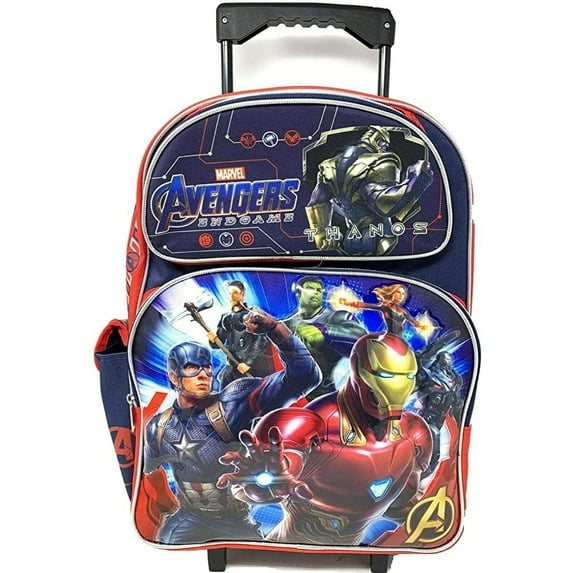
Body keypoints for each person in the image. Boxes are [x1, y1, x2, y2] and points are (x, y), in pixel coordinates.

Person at [217, 332, 433, 546]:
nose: (397, 385)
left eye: (407, 376)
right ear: (358, 370)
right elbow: (260, 478)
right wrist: (263, 481)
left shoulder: (413, 433)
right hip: (287, 551)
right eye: (385, 375)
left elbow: (398, 505)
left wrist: (426, 517)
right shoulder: (311, 424)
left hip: (350, 556)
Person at [143, 307, 322, 545]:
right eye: (192, 367)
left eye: (207, 367)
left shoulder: (232, 403)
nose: (204, 374)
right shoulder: (159, 427)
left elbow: (305, 377)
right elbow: (145, 473)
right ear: (174, 377)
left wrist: (275, 329)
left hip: (235, 519)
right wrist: (159, 504)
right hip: (188, 517)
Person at [304, 125, 433, 256]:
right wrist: (416, 178)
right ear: (378, 141)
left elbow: (316, 202)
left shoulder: (329, 166)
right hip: (381, 237)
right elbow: (385, 205)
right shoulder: (380, 162)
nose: (384, 148)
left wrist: (321, 234)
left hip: (350, 238)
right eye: (384, 144)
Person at [284, 275, 366, 400]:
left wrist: (325, 332)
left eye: (319, 290)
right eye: (310, 289)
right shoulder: (287, 323)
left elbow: (362, 339)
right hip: (290, 394)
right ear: (299, 293)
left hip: (327, 395)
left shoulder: (337, 317)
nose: (316, 293)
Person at [207, 280, 275, 388]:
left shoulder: (253, 315)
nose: (231, 296)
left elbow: (260, 341)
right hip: (232, 366)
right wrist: (212, 339)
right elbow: (218, 344)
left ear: (242, 294)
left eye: (235, 292)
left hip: (250, 369)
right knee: (224, 392)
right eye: (229, 293)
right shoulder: (226, 318)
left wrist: (248, 363)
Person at [340, 283, 424, 337]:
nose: (401, 296)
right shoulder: (386, 306)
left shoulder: (403, 311)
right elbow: (367, 305)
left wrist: (420, 326)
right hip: (388, 338)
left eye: (403, 294)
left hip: (399, 340)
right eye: (398, 292)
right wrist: (348, 303)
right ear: (393, 293)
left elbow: (413, 321)